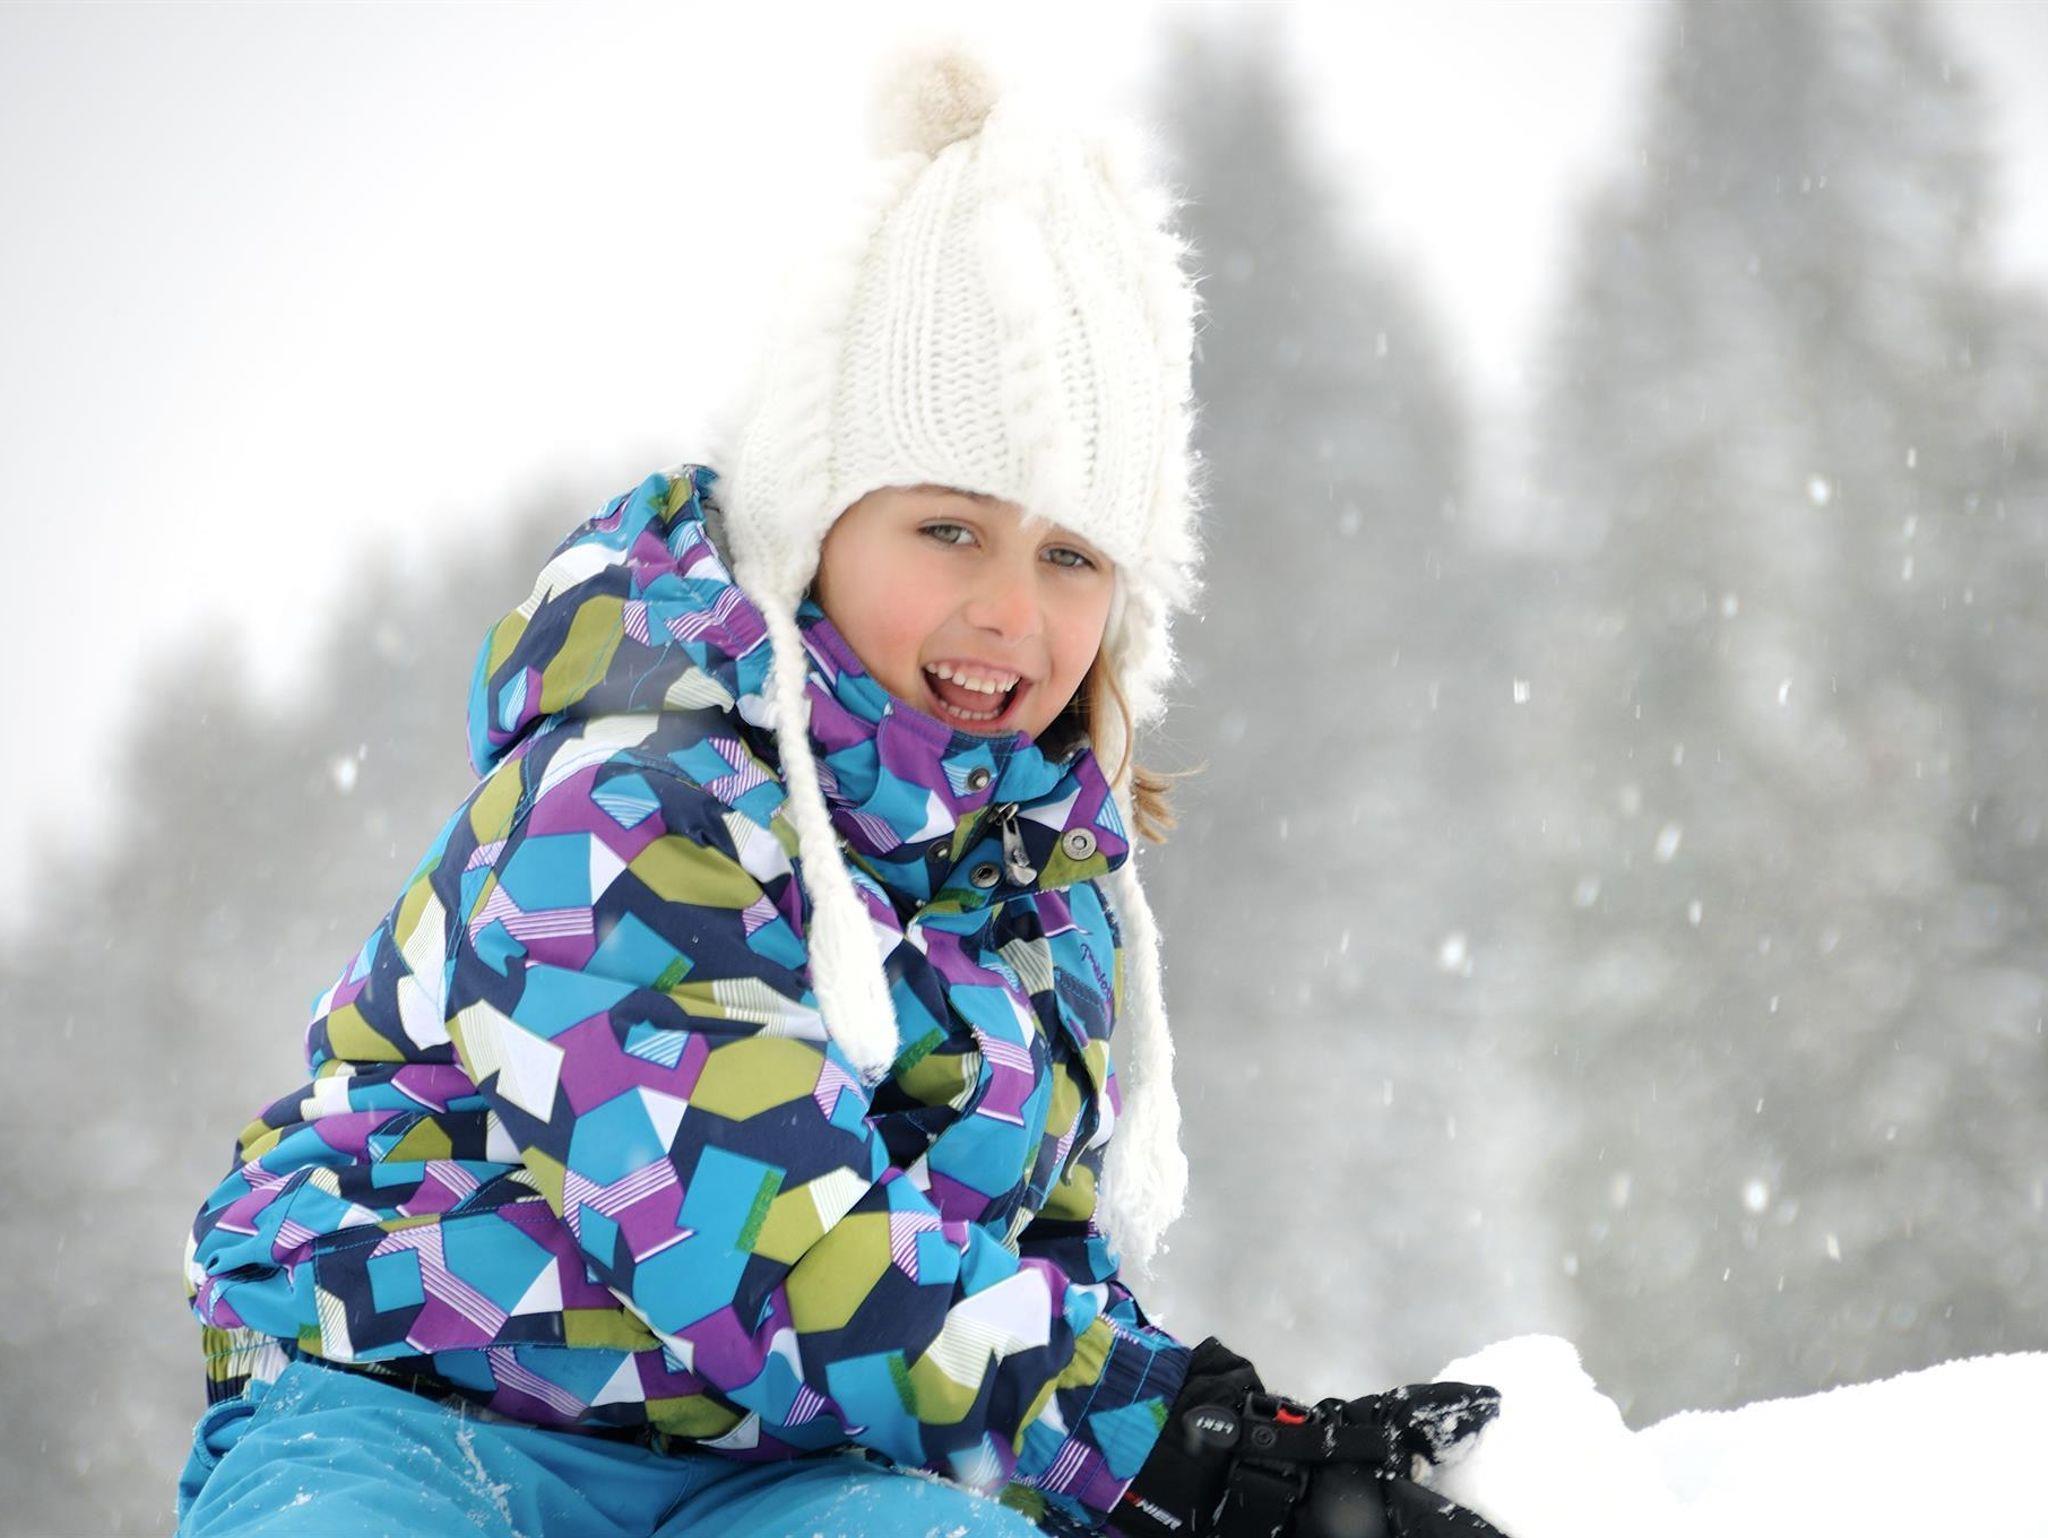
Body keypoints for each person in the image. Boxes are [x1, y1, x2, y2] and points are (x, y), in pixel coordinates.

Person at [175, 45, 1503, 1538]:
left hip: (788, 1472)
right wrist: (1173, 1441)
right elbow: (765, 1247)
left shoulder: (1035, 892)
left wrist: (1248, 1468)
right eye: (951, 530)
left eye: (1071, 556)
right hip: (412, 1409)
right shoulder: (625, 797)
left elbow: (1019, 1283)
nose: (1012, 612)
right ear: (812, 526)